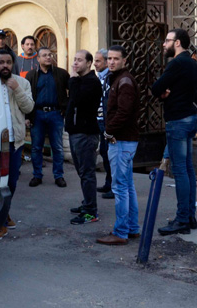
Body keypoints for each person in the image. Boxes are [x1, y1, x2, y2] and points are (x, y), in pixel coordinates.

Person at [150, 29, 197, 235]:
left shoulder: (177, 63)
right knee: (188, 169)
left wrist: (162, 93)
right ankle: (189, 216)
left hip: (178, 121)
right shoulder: (192, 63)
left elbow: (156, 87)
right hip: (190, 117)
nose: (164, 44)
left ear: (177, 43)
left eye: (167, 40)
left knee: (180, 171)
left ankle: (182, 220)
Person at [96, 45, 141, 246]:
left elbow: (124, 112)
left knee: (120, 187)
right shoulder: (118, 79)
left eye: (116, 59)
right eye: (110, 59)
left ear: (124, 61)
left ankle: (121, 232)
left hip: (121, 141)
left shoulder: (124, 82)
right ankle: (131, 228)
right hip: (124, 140)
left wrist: (108, 131)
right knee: (127, 185)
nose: (112, 62)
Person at [0, 49, 34, 241]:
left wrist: (16, 88)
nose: (5, 66)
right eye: (1, 62)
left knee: (12, 182)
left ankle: (4, 212)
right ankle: (0, 222)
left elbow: (29, 108)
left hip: (15, 142)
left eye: (8, 62)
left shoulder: (22, 82)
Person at [65, 50, 103, 225]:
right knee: (82, 172)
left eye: (79, 60)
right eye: (74, 60)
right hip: (76, 132)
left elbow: (77, 99)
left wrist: (72, 78)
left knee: (87, 173)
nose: (75, 63)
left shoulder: (92, 82)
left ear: (89, 64)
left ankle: (90, 212)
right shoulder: (80, 81)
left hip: (86, 134)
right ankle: (87, 204)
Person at [25, 47, 70, 187]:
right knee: (36, 147)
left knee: (57, 147)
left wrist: (65, 108)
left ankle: (59, 176)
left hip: (55, 113)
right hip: (37, 114)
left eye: (50, 55)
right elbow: (26, 96)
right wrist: (27, 116)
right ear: (38, 59)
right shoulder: (31, 75)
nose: (48, 57)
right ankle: (37, 175)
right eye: (44, 55)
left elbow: (71, 92)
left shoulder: (61, 74)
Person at [94, 48, 113, 198]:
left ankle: (114, 187)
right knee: (105, 153)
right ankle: (109, 183)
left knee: (110, 154)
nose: (95, 64)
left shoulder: (110, 78)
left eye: (98, 61)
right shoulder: (100, 77)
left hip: (107, 122)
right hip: (100, 120)